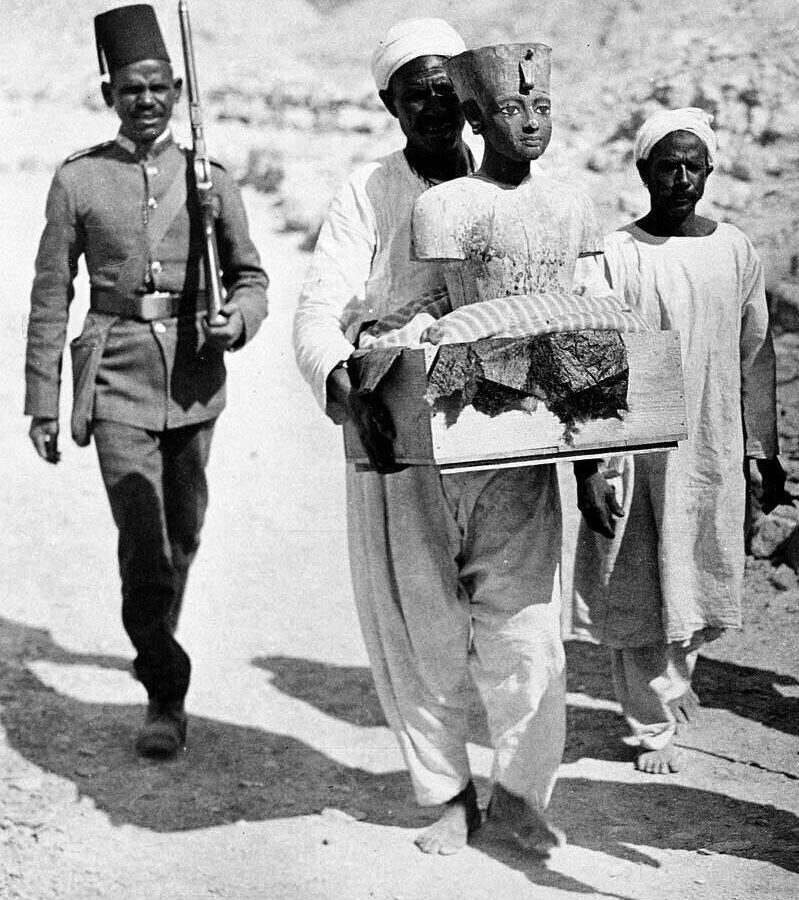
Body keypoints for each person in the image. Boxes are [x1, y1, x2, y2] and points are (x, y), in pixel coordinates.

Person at [295, 26, 570, 857]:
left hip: (508, 431)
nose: (433, 105)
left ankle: (520, 795)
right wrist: (342, 382)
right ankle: (448, 794)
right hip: (400, 433)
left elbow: (577, 300)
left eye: (447, 89)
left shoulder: (522, 184)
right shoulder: (368, 192)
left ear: (474, 96)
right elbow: (319, 307)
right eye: (414, 93)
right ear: (389, 104)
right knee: (418, 626)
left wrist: (595, 456)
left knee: (526, 625)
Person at [24, 3, 269, 758]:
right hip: (116, 376)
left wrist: (238, 320)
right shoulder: (79, 180)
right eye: (131, 89)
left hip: (194, 377)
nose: (147, 100)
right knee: (143, 540)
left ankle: (156, 643)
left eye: (159, 87)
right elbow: (51, 295)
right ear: (110, 95)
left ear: (177, 89)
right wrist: (42, 402)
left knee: (182, 534)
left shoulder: (210, 179)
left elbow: (251, 277)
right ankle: (166, 689)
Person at [571, 107, 787, 774]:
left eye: (693, 165)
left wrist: (763, 449)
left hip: (710, 441)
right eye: (667, 165)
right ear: (643, 171)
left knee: (696, 566)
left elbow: (756, 350)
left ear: (710, 170)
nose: (681, 178)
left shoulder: (733, 249)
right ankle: (651, 725)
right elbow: (587, 357)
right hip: (636, 443)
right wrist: (588, 466)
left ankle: (673, 680)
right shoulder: (615, 253)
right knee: (637, 575)